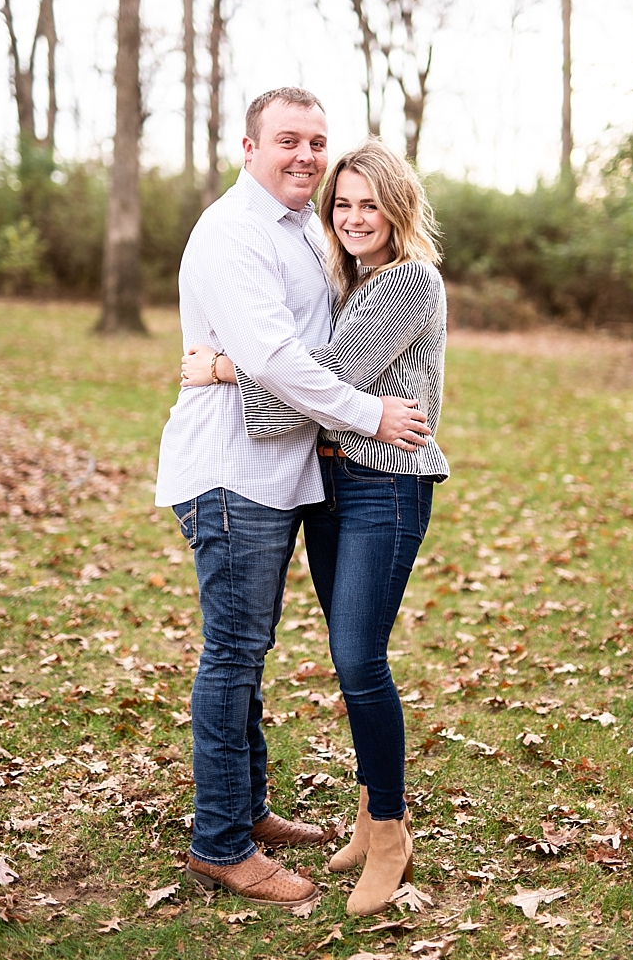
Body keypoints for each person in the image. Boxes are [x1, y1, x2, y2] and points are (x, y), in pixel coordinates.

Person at [157, 88, 431, 907]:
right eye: (288, 140)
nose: (306, 156)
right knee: (233, 654)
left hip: (288, 475)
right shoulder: (234, 231)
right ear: (249, 147)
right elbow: (286, 362)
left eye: (317, 140)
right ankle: (222, 842)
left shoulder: (308, 230)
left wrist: (224, 367)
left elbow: (318, 353)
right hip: (232, 473)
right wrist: (367, 412)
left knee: (249, 652)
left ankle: (246, 810)